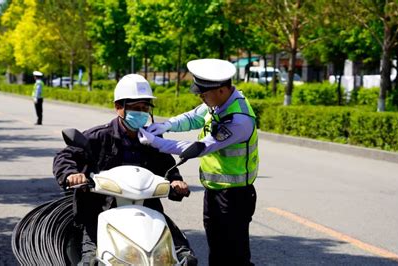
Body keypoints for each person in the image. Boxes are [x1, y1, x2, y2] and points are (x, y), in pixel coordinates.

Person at [53, 74, 197, 266]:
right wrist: (71, 174)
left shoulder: (152, 140)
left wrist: (176, 181)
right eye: (136, 108)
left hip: (147, 211)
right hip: (100, 212)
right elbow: (65, 156)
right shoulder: (98, 137)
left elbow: (168, 166)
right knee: (90, 262)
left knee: (184, 257)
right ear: (118, 107)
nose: (141, 113)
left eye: (145, 108)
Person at [138, 58, 259, 266]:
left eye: (204, 93)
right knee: (218, 252)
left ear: (221, 90)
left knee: (235, 257)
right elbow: (193, 117)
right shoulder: (218, 103)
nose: (201, 97)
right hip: (214, 192)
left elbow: (201, 147)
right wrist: (165, 126)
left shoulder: (238, 120)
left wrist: (157, 143)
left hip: (235, 197)